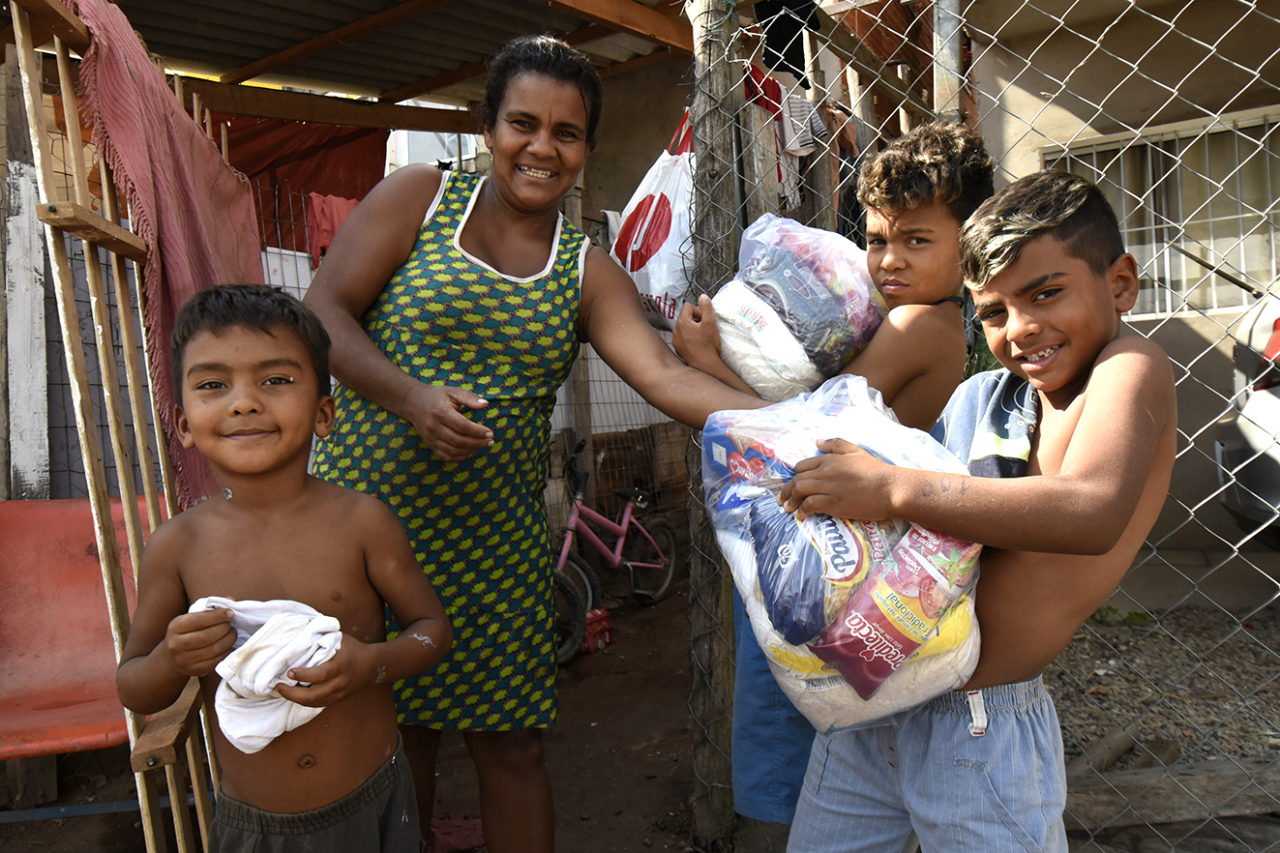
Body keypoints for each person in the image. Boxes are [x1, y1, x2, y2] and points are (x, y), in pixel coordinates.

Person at [301, 35, 767, 853]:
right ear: (488, 127)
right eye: (523, 123)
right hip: (366, 529)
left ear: (586, 148)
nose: (542, 148)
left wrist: (793, 424)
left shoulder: (584, 270)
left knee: (510, 742)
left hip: (493, 542)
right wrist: (411, 398)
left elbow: (662, 376)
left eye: (567, 132)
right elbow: (322, 315)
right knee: (392, 736)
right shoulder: (419, 199)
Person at [779, 170, 1177, 852]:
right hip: (877, 696)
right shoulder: (984, 399)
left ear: (1119, 284)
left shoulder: (1129, 368)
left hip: (979, 727)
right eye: (993, 312)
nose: (1021, 329)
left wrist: (891, 488)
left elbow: (1091, 509)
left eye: (1045, 294)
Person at [674, 120, 993, 842]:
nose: (888, 260)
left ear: (967, 243)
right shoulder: (935, 321)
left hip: (826, 568)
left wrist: (702, 362)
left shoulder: (917, 326)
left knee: (783, 754)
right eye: (878, 239)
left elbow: (800, 436)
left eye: (917, 240)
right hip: (847, 563)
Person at [116, 284, 452, 852]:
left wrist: (371, 664)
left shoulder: (362, 522)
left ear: (324, 413)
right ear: (185, 425)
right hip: (257, 828)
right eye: (213, 384)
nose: (244, 402)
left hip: (378, 801)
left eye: (275, 380)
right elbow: (133, 685)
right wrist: (174, 658)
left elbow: (433, 632)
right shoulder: (176, 546)